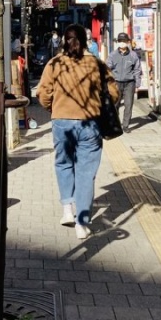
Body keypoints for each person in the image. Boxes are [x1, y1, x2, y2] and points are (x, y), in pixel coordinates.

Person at [37, 24, 119, 239]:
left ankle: (67, 210)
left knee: (63, 163)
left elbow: (43, 92)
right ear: (85, 41)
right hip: (90, 122)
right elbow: (113, 92)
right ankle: (82, 223)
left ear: (64, 40)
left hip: (61, 122)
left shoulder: (55, 64)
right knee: (86, 173)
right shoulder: (96, 64)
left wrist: (55, 108)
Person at [106, 32, 142, 133]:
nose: (122, 43)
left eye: (124, 41)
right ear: (117, 42)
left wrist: (138, 84)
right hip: (116, 83)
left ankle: (125, 126)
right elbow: (107, 68)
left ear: (128, 42)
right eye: (120, 41)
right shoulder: (112, 55)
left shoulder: (133, 55)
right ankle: (116, 124)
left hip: (130, 83)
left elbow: (137, 70)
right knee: (115, 105)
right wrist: (108, 82)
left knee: (128, 104)